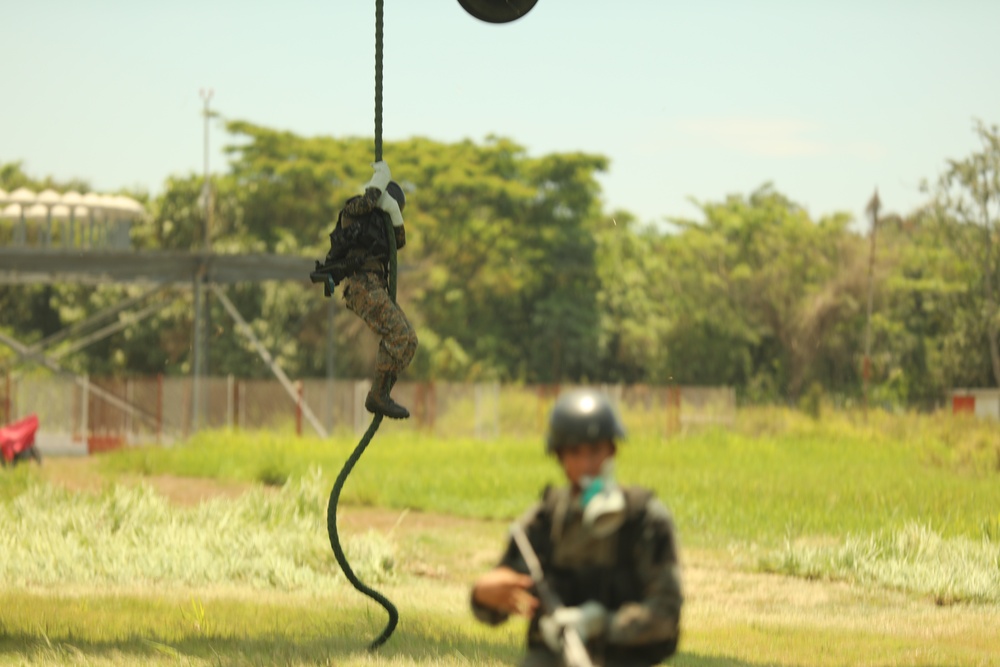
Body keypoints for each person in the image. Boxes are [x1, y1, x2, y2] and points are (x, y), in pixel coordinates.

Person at [471, 389, 683, 666]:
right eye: (575, 452)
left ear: (612, 450)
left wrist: (603, 625)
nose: (587, 464)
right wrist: (482, 596)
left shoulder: (644, 520)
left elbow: (666, 615)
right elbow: (501, 599)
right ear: (560, 457)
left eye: (595, 450)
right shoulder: (544, 521)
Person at [314, 160, 417, 419]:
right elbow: (366, 203)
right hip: (360, 284)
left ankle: (382, 392)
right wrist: (378, 184)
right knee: (396, 334)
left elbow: (400, 240)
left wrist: (393, 211)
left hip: (374, 285)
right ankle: (377, 396)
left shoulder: (383, 231)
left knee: (409, 341)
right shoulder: (355, 210)